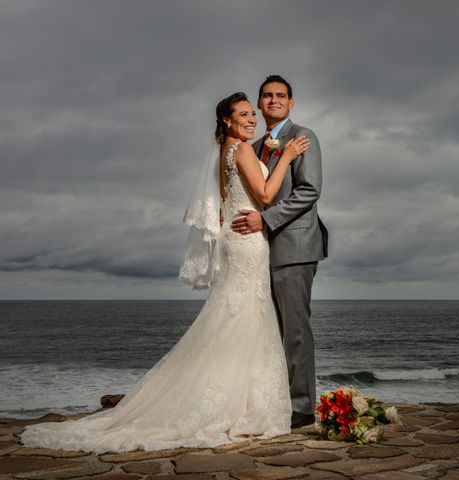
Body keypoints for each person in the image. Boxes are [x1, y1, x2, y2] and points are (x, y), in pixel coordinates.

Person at [19, 92, 310, 453]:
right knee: (245, 319)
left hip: (235, 243)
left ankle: (230, 396)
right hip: (248, 243)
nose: (252, 120)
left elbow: (224, 206)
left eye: (253, 114)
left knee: (232, 320)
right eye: (244, 115)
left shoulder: (224, 155)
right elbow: (265, 196)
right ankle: (239, 403)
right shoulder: (244, 151)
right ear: (227, 121)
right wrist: (287, 156)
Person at [231, 75, 328, 429]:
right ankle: (271, 402)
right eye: (267, 95)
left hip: (295, 247)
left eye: (281, 96)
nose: (274, 100)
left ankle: (301, 410)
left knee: (296, 331)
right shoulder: (252, 146)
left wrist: (265, 220)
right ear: (258, 104)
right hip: (258, 252)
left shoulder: (304, 138)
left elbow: (309, 191)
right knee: (266, 330)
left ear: (291, 103)